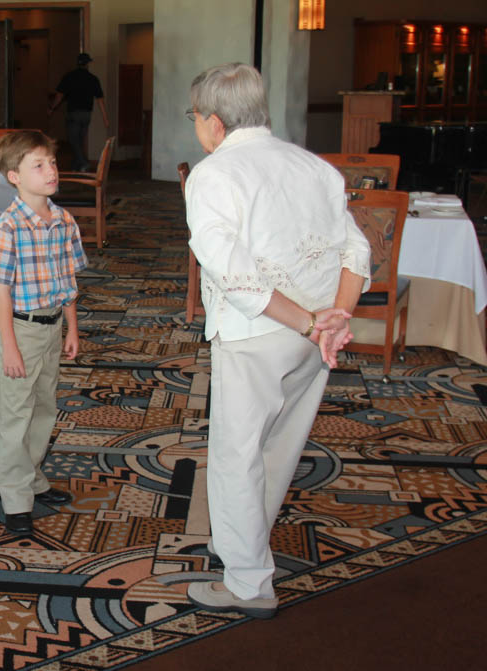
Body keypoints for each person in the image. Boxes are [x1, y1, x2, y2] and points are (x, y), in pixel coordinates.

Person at [182, 63, 371, 619]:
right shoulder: (313, 165)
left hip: (259, 333)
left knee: (237, 454)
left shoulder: (214, 174)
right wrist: (335, 318)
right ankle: (245, 542)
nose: (196, 126)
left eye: (194, 117)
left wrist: (315, 323)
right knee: (280, 445)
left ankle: (247, 581)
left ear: (213, 122)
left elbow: (237, 276)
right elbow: (356, 252)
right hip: (312, 335)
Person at [0, 130, 88, 534]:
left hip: (51, 324)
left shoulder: (62, 220)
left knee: (44, 407)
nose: (51, 171)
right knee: (15, 413)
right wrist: (9, 347)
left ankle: (33, 476)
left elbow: (69, 281)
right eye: (38, 165)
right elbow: (1, 295)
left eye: (53, 163)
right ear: (14, 176)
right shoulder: (9, 227)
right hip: (20, 330)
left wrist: (71, 328)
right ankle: (14, 497)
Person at [48, 52, 110, 172]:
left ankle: (83, 163)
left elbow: (59, 96)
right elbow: (100, 100)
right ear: (87, 64)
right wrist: (105, 119)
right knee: (79, 141)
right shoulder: (93, 79)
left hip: (73, 114)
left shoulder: (69, 77)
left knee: (73, 140)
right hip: (86, 114)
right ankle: (76, 168)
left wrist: (51, 108)